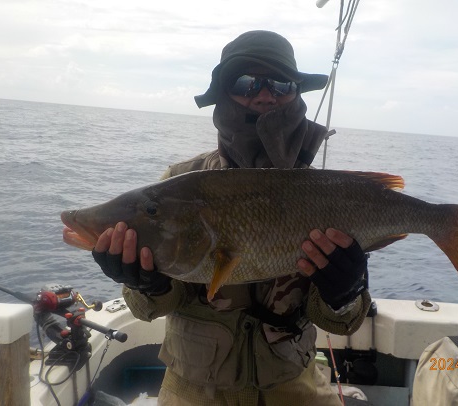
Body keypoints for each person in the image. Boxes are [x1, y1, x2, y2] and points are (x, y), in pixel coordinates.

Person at [91, 30, 372, 405]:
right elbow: (151, 309)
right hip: (193, 391)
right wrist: (146, 285)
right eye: (246, 83)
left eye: (281, 84)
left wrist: (346, 292)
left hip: (295, 385)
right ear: (223, 95)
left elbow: (342, 322)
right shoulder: (176, 185)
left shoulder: (323, 194)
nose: (265, 95)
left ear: (296, 95)